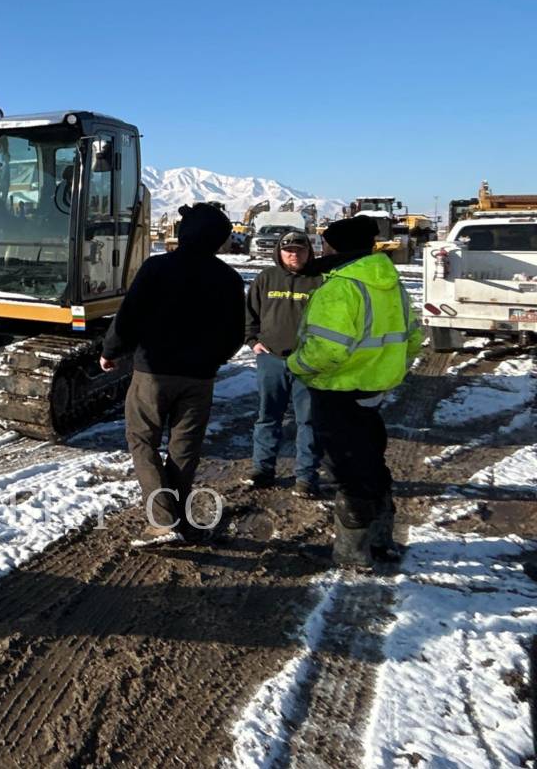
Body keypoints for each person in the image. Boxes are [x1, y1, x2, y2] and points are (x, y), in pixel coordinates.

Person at [100, 203, 246, 547]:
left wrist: (110, 351)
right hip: (199, 379)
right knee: (184, 449)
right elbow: (235, 335)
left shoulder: (157, 268)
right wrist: (212, 360)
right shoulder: (228, 278)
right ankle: (178, 519)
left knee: (142, 441)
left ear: (185, 232)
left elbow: (129, 317)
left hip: (154, 374)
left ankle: (163, 521)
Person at [288, 215, 423, 568]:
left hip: (338, 392)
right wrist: (385, 370)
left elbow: (327, 350)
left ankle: (352, 554)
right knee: (372, 464)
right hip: (373, 391)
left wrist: (296, 365)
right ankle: (381, 541)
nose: (322, 249)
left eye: (326, 243)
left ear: (336, 247)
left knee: (348, 474)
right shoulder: (390, 283)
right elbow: (413, 339)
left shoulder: (341, 288)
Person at [244, 230, 324, 496]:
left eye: (300, 250)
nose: (294, 255)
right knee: (268, 417)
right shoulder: (267, 278)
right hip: (271, 360)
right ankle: (262, 470)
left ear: (308, 252)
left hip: (308, 363)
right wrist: (252, 340)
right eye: (288, 250)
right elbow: (249, 314)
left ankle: (305, 477)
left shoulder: (319, 281)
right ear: (279, 252)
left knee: (309, 421)